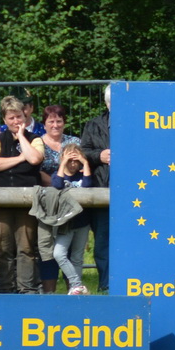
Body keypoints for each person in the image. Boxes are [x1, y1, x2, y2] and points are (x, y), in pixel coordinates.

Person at [0, 97, 44, 294]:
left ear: (25, 116)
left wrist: (22, 138)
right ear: (4, 119)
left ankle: (27, 289)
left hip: (26, 202)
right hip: (0, 202)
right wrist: (20, 158)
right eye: (11, 118)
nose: (15, 121)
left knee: (27, 247)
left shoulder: (35, 139)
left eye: (19, 116)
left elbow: (35, 159)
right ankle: (5, 288)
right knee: (3, 247)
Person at [30, 104, 81, 291]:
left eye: (59, 121)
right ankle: (49, 291)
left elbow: (80, 168)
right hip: (47, 201)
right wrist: (55, 181)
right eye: (51, 121)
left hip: (70, 200)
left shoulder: (74, 141)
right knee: (48, 247)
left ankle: (72, 288)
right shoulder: (37, 142)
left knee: (68, 248)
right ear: (44, 124)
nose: (55, 124)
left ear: (64, 123)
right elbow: (35, 169)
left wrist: (62, 181)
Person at [49, 144, 95, 295]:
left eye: (76, 160)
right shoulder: (58, 175)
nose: (73, 163)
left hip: (82, 222)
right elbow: (57, 184)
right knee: (59, 254)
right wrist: (63, 163)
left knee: (77, 257)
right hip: (65, 224)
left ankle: (75, 290)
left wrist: (85, 162)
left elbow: (87, 186)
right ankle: (77, 284)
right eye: (70, 160)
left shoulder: (83, 174)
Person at [79, 85, 112, 293]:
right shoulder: (93, 125)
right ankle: (106, 283)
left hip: (134, 192)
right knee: (102, 240)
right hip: (101, 188)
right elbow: (84, 150)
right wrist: (99, 155)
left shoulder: (137, 123)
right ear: (107, 103)